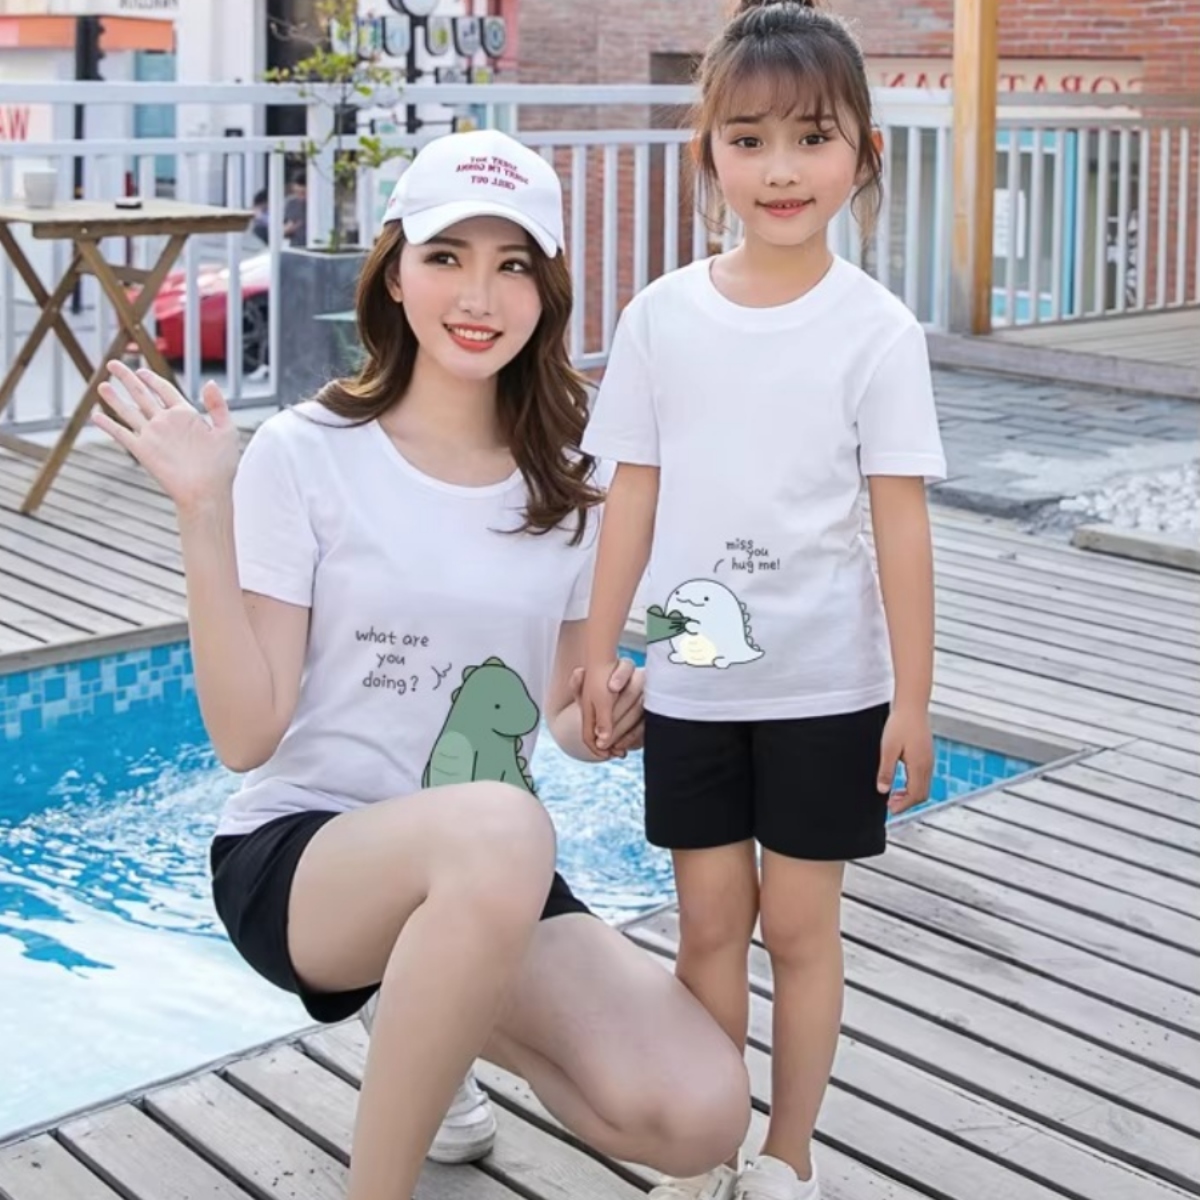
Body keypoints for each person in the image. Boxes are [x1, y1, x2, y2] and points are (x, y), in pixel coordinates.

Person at [91, 128, 750, 1200]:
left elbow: (565, 717)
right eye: (446, 257)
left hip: (489, 869)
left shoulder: (573, 480)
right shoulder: (306, 453)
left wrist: (608, 714)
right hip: (307, 861)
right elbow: (247, 737)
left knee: (699, 1114)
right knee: (504, 827)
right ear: (395, 274)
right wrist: (204, 511)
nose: (478, 296)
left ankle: (426, 1017)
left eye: (512, 265)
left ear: (546, 293)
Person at [579, 3, 946, 1198]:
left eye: (811, 137)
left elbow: (900, 525)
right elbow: (632, 494)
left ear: (863, 153)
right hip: (693, 683)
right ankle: (707, 1150)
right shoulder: (660, 316)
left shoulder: (877, 332)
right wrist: (600, 650)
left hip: (829, 689)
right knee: (705, 928)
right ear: (711, 155)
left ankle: (788, 1154)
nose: (780, 169)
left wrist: (911, 699)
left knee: (797, 929)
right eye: (748, 139)